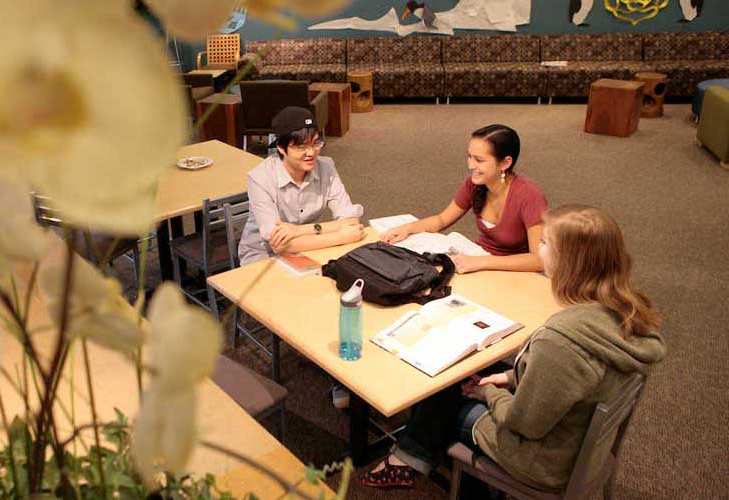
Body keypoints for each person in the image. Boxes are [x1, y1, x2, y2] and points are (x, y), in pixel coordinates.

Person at [360, 205, 666, 495]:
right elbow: (572, 379)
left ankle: (435, 471)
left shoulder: (559, 340)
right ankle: (414, 458)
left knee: (442, 394)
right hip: (581, 439)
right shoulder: (629, 312)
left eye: (545, 243)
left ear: (568, 261)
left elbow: (524, 425)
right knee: (470, 377)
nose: (537, 249)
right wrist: (508, 378)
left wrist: (489, 393)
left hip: (542, 458)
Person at [381, 124, 547, 273]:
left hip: (511, 270)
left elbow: (538, 260)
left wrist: (482, 262)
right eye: (469, 156)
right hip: (477, 261)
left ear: (505, 163)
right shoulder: (475, 184)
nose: (470, 165)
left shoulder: (530, 196)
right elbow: (442, 219)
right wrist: (408, 228)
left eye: (479, 160)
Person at [237, 106, 365, 266]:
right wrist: (341, 236)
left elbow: (351, 221)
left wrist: (299, 230)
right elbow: (279, 245)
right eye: (301, 147)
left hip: (311, 247)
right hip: (263, 255)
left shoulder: (326, 167)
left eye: (316, 143)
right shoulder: (260, 177)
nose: (311, 153)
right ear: (281, 148)